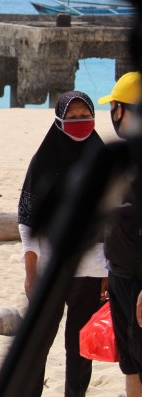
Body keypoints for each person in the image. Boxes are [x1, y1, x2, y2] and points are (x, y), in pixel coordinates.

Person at [17, 91, 108, 397]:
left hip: (92, 269)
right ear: (59, 120)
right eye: (73, 117)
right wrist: (31, 273)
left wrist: (109, 270)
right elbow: (27, 220)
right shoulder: (43, 161)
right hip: (49, 269)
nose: (80, 122)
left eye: (85, 116)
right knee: (38, 342)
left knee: (80, 346)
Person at [98, 72, 142, 397]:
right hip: (120, 277)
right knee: (130, 365)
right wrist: (105, 270)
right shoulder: (121, 159)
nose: (112, 114)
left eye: (115, 107)